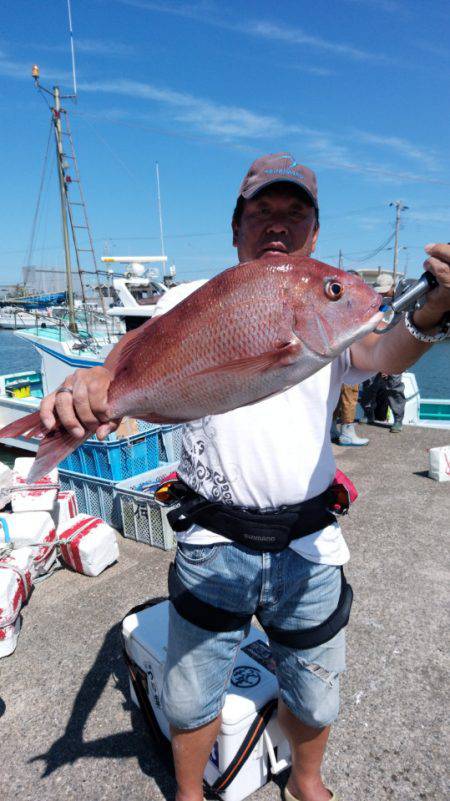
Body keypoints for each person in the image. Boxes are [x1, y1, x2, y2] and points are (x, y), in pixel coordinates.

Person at [38, 153, 450, 801]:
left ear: (315, 231)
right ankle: (189, 793)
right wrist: (94, 386)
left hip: (309, 543)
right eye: (261, 212)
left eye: (295, 213)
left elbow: (382, 348)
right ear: (236, 228)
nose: (277, 225)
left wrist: (433, 310)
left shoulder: (331, 320)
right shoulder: (182, 300)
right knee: (192, 687)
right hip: (211, 540)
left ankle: (307, 780)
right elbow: (124, 370)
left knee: (316, 685)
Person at [360, 275, 407, 433]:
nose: (383, 295)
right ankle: (368, 414)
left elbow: (401, 337)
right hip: (374, 351)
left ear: (392, 287)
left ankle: (398, 420)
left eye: (385, 292)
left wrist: (388, 364)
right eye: (380, 292)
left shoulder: (403, 306)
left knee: (394, 388)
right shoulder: (375, 304)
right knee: (368, 385)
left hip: (395, 353)